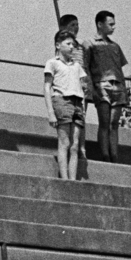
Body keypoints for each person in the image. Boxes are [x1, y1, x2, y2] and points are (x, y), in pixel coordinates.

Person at [45, 31, 89, 181]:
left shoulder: (76, 65)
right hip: (62, 100)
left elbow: (83, 82)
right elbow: (47, 87)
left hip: (77, 102)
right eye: (68, 44)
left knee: (75, 144)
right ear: (58, 45)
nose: (71, 47)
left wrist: (85, 86)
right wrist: (50, 112)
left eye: (73, 45)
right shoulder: (53, 63)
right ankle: (64, 179)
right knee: (64, 142)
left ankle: (72, 179)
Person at [87, 10, 129, 163]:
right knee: (104, 122)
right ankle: (105, 155)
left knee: (114, 123)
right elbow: (85, 67)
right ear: (100, 24)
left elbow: (120, 69)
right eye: (110, 24)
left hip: (117, 86)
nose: (113, 27)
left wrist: (124, 89)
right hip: (101, 85)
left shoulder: (115, 46)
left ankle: (114, 155)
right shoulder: (90, 44)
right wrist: (91, 89)